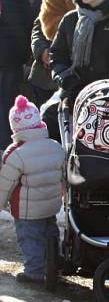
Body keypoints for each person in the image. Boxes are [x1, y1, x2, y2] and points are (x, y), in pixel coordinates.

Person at [0, 96, 63, 284]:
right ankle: (54, 263)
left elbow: (5, 183)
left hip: (27, 210)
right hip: (51, 206)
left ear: (15, 128)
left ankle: (34, 272)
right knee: (51, 234)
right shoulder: (55, 146)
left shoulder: (15, 153)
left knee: (30, 239)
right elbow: (63, 175)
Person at [0, 0, 34, 150]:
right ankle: (13, 136)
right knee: (11, 96)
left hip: (1, 56)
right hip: (17, 55)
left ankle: (3, 140)